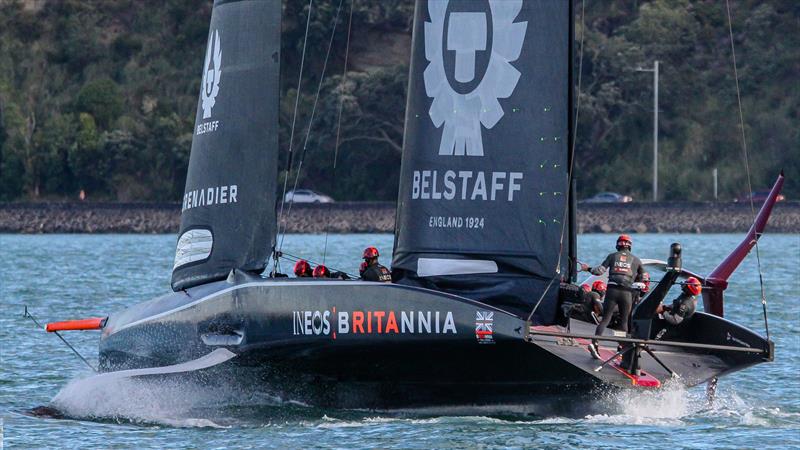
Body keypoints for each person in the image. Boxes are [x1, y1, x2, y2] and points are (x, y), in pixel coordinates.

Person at [580, 234, 644, 359]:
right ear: (629, 246)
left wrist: (588, 268)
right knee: (624, 321)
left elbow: (599, 271)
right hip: (627, 293)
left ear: (618, 245)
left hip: (612, 291)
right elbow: (644, 277)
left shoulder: (612, 256)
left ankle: (595, 343)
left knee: (606, 319)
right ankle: (621, 347)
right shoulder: (636, 260)